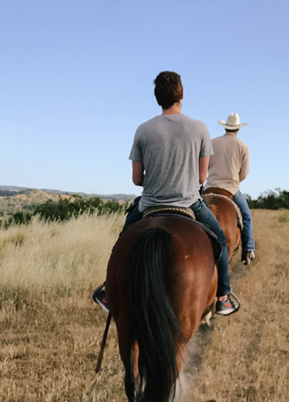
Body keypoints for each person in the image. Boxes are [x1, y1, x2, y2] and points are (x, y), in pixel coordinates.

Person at [94, 71, 238, 316]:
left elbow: (137, 179)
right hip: (190, 203)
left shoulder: (143, 130)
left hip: (149, 205)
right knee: (221, 240)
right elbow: (203, 178)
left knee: (122, 241)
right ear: (182, 95)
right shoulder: (200, 128)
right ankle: (223, 295)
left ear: (157, 98)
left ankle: (110, 291)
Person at [206, 112, 255, 260]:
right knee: (246, 216)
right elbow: (245, 173)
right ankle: (248, 249)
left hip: (209, 187)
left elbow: (205, 166)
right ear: (238, 129)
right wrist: (234, 181)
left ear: (225, 127)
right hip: (231, 189)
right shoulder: (243, 147)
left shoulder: (212, 143)